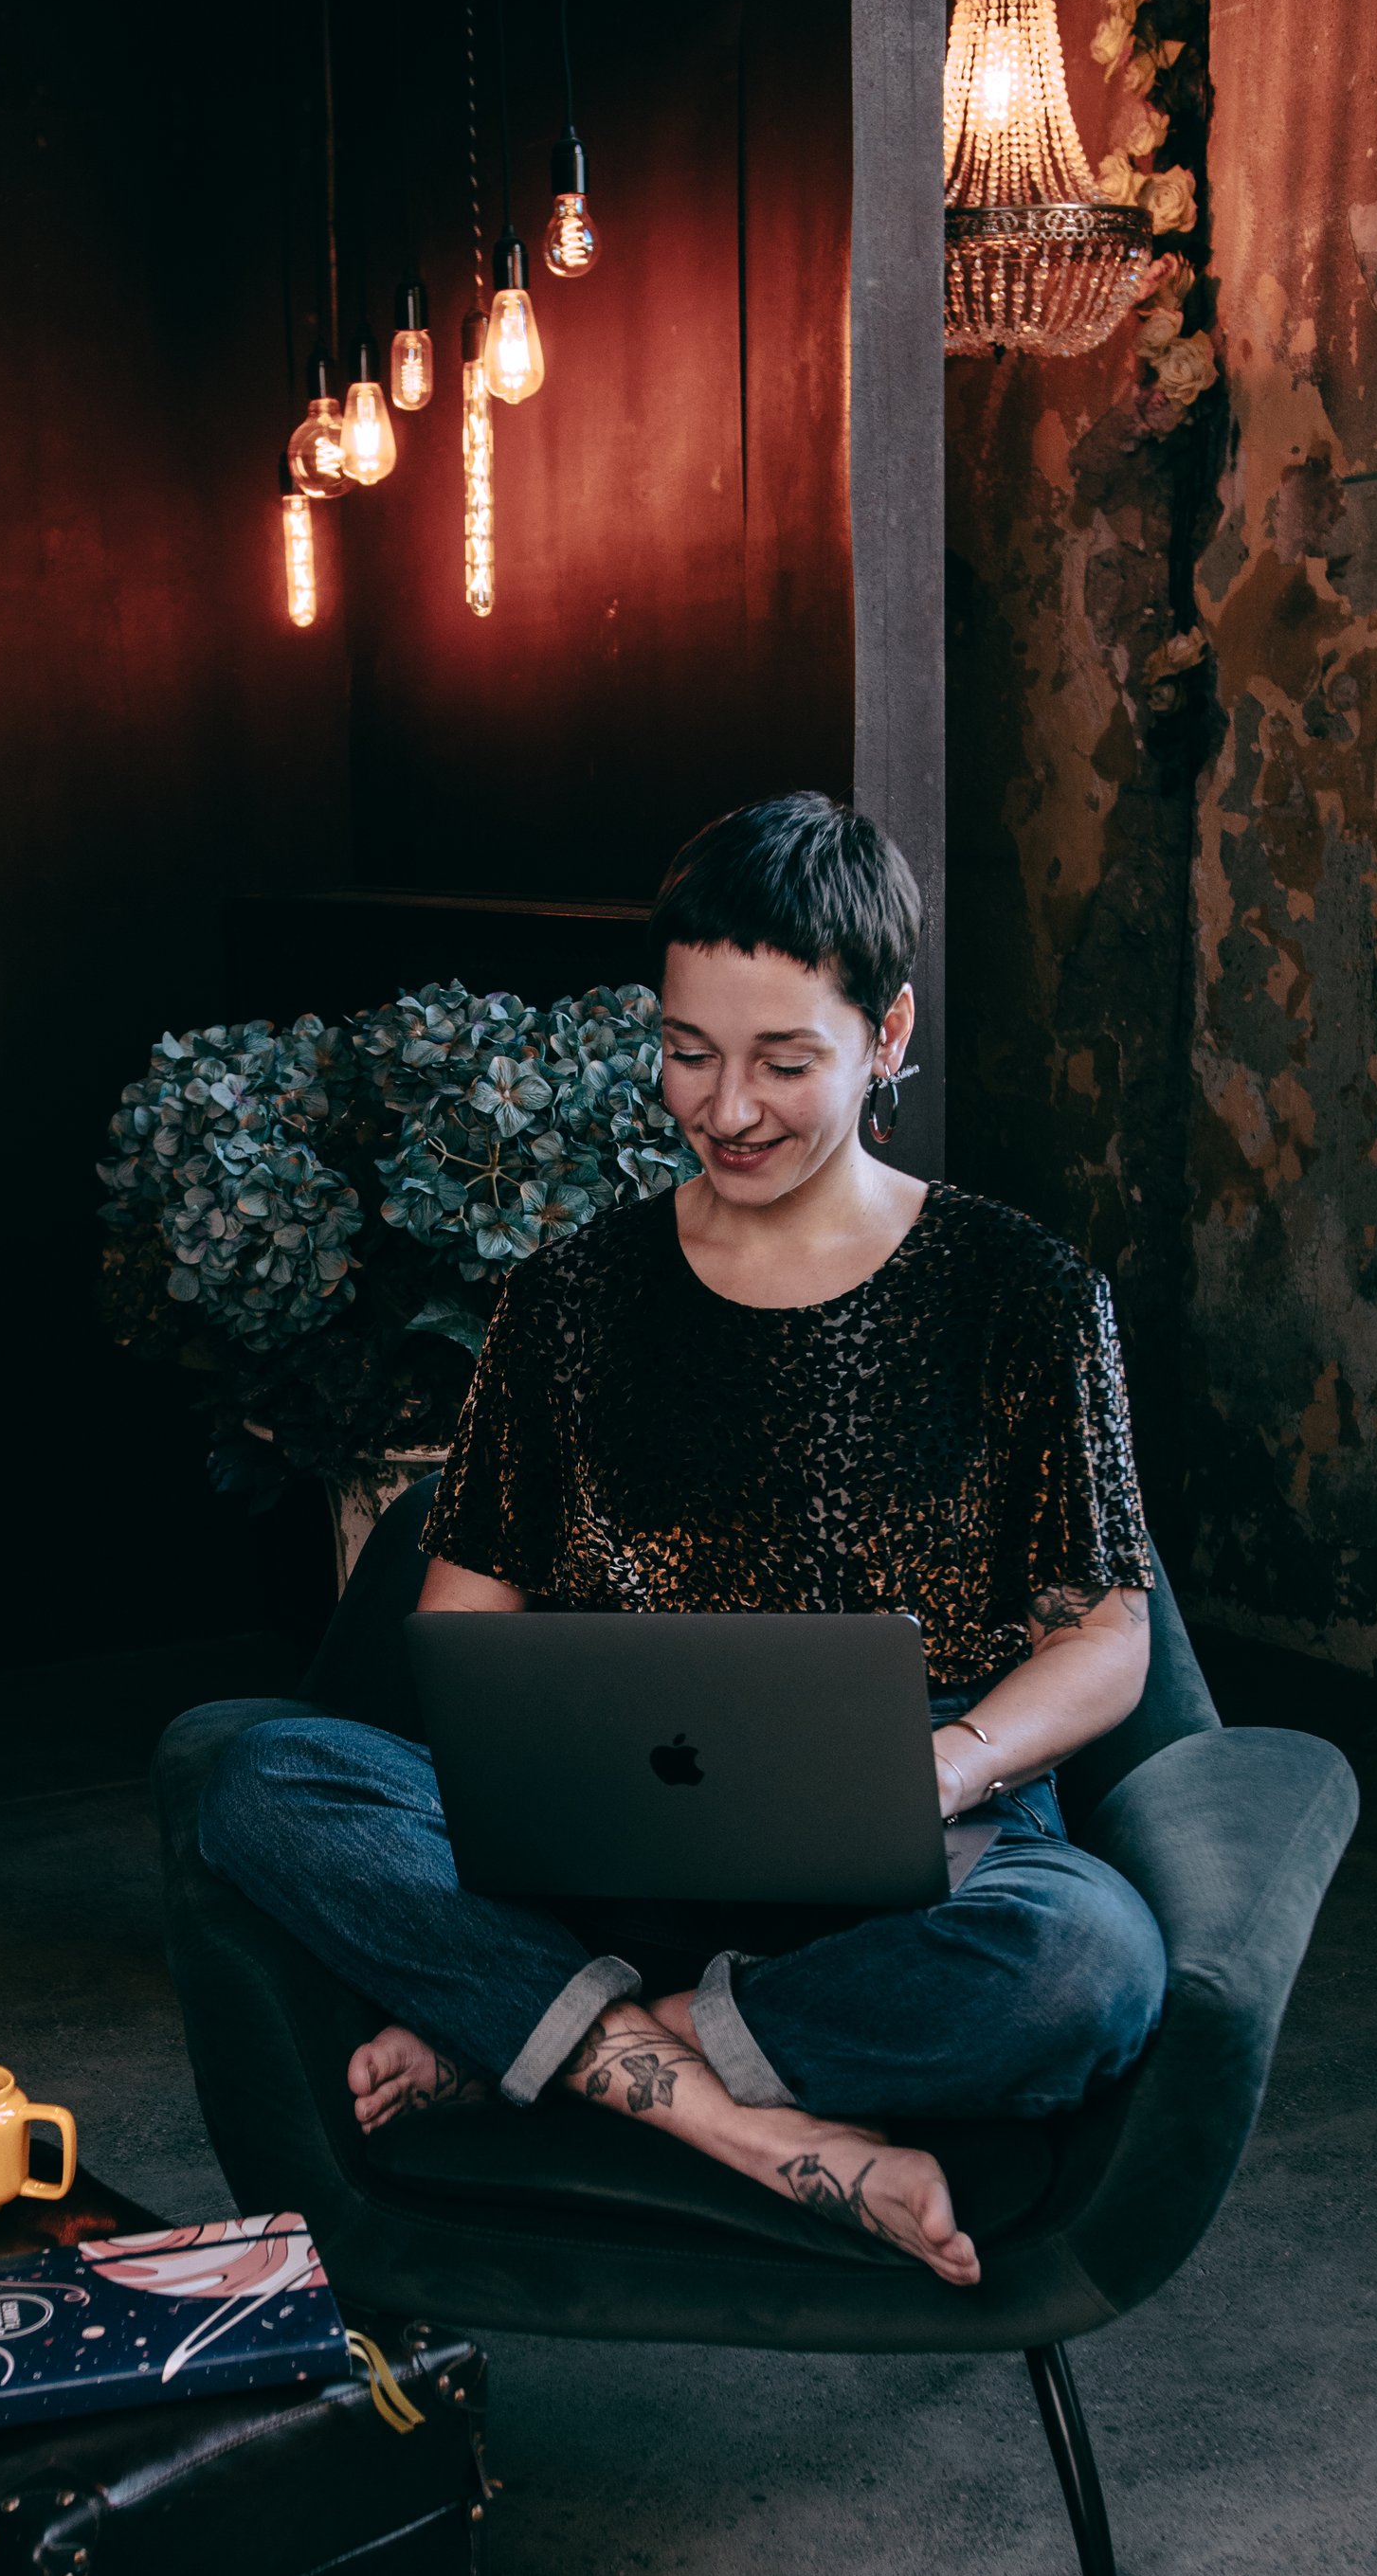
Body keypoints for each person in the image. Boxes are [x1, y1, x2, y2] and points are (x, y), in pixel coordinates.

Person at [197, 794, 1167, 2289]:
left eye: (784, 1061)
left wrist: (948, 1761)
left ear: (888, 1032)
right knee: (253, 1773)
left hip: (923, 1850)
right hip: (617, 1837)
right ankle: (742, 2123)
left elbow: (1108, 1638)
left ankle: (560, 2030)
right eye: (688, 1052)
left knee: (1085, 1966)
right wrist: (559, 1749)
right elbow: (461, 1626)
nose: (726, 1109)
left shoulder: (1019, 1291)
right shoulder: (570, 1299)